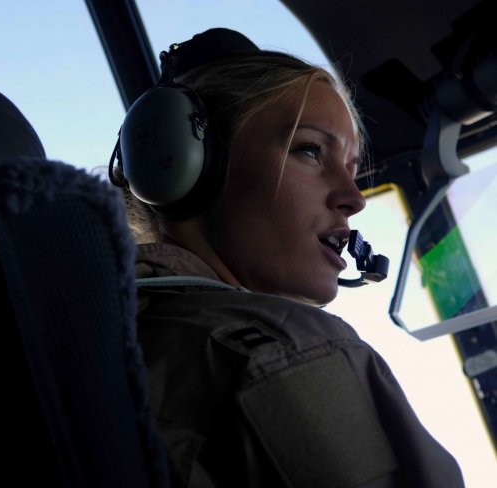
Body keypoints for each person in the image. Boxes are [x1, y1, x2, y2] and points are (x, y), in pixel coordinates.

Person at [110, 28, 464, 488]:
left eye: (354, 169)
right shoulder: (284, 350)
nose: (354, 199)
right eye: (309, 150)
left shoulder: (124, 331)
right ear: (187, 165)